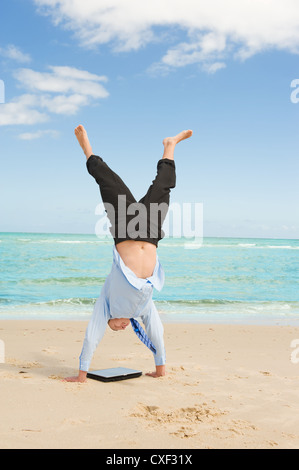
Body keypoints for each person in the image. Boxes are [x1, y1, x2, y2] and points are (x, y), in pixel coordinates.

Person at [64, 125, 192, 382]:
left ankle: (86, 147)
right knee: (164, 186)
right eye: (122, 329)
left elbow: (92, 335)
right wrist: (160, 369)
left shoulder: (106, 304)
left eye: (114, 327)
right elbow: (157, 332)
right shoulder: (142, 308)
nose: (120, 327)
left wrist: (81, 375)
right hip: (151, 230)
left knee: (108, 180)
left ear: (109, 320)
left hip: (124, 227)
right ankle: (170, 144)